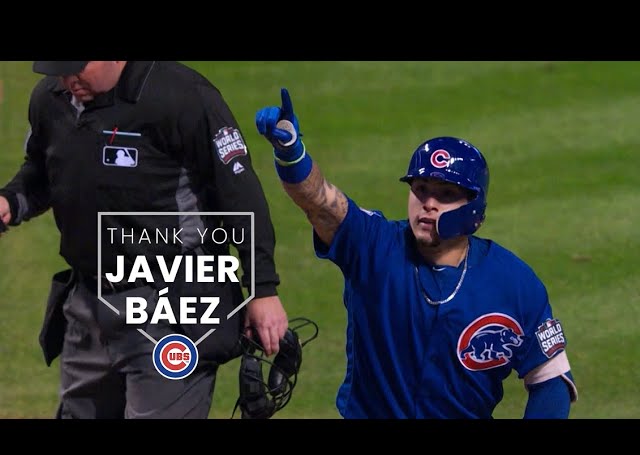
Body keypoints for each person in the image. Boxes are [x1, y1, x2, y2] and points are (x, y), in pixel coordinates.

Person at [254, 87, 578, 419]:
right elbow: (320, 202)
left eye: (446, 194)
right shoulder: (373, 245)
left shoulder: (514, 283)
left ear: (474, 208)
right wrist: (291, 151)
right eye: (420, 190)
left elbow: (550, 380)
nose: (428, 203)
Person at [0, 61, 288, 419]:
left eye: (76, 67)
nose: (67, 80)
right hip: (90, 303)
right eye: (59, 69)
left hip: (170, 305)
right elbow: (43, 171)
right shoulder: (51, 99)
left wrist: (263, 288)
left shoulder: (182, 97)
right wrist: (10, 202)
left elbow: (239, 193)